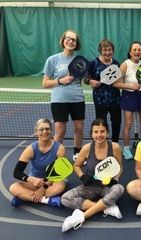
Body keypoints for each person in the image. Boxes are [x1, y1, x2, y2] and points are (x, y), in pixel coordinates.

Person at [61, 118, 124, 232]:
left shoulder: (115, 147)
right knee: (65, 199)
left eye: (102, 131)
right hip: (90, 187)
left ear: (107, 133)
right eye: (96, 132)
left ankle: (81, 217)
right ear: (91, 133)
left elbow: (120, 167)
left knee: (119, 188)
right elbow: (76, 166)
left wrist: (115, 179)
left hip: (107, 187)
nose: (99, 135)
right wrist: (83, 177)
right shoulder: (86, 148)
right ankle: (105, 208)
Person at [42, 29, 85, 162]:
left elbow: (83, 80)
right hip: (59, 100)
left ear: (76, 44)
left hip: (77, 99)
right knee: (60, 132)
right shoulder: (53, 60)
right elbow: (45, 83)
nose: (70, 41)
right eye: (68, 38)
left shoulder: (80, 61)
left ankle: (77, 155)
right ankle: (57, 157)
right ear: (63, 40)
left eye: (74, 40)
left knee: (79, 129)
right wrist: (61, 81)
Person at [9, 118, 66, 207]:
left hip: (52, 180)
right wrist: (32, 179)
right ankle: (47, 200)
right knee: (13, 188)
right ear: (36, 131)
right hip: (35, 181)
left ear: (51, 130)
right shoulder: (31, 149)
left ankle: (24, 197)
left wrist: (43, 188)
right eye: (41, 129)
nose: (44, 132)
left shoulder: (60, 148)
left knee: (59, 187)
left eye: (47, 129)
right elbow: (17, 172)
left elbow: (57, 173)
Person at [113, 41, 141, 160]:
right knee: (128, 124)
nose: (137, 52)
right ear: (130, 52)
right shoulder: (125, 64)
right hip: (128, 96)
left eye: (139, 50)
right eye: (135, 50)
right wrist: (131, 86)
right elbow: (116, 83)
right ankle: (126, 148)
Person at [85, 38, 121, 143]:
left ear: (113, 51)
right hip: (100, 100)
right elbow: (86, 77)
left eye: (110, 50)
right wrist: (90, 81)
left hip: (115, 99)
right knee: (101, 124)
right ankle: (102, 144)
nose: (107, 52)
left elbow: (118, 79)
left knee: (116, 122)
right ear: (101, 51)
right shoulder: (93, 63)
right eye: (105, 50)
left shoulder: (116, 64)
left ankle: (115, 144)